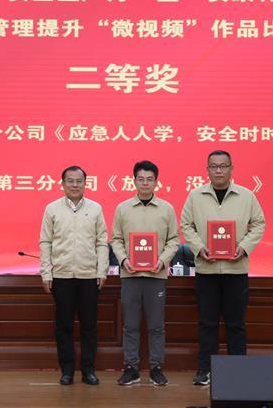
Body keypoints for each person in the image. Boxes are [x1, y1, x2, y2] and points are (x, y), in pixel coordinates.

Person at [180, 150, 265, 386]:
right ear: (207, 170)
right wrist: (199, 248)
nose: (219, 170)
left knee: (236, 324)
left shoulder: (246, 196)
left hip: (236, 270)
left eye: (223, 166)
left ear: (231, 168)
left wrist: (244, 247)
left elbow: (259, 224)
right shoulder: (195, 196)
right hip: (206, 271)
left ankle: (238, 371)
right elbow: (186, 225)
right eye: (214, 166)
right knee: (207, 324)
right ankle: (204, 370)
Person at [110, 160, 180, 386]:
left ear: (156, 182)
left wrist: (162, 260)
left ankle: (156, 368)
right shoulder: (122, 208)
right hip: (130, 275)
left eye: (150, 179)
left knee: (156, 325)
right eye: (141, 179)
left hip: (156, 275)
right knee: (130, 325)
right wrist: (123, 259)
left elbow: (174, 240)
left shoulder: (167, 209)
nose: (145, 183)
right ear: (134, 181)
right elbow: (116, 240)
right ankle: (131, 368)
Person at [39, 165, 108, 386]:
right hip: (62, 275)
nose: (75, 185)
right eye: (70, 181)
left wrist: (102, 270)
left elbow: (102, 242)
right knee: (64, 326)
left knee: (89, 326)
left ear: (85, 184)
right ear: (63, 184)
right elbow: (45, 242)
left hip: (89, 276)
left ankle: (88, 370)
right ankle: (67, 370)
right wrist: (46, 272)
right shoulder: (52, 209)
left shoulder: (95, 208)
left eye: (79, 181)